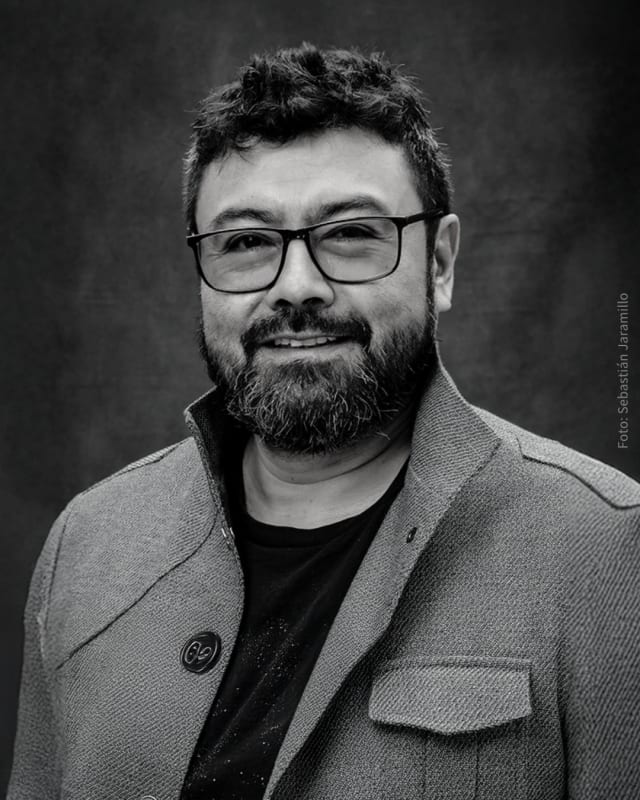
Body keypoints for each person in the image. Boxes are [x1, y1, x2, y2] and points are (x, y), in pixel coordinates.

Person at [8, 43, 640, 800]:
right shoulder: (85, 547)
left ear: (439, 264)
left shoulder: (609, 552)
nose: (297, 287)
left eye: (349, 233)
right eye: (246, 242)